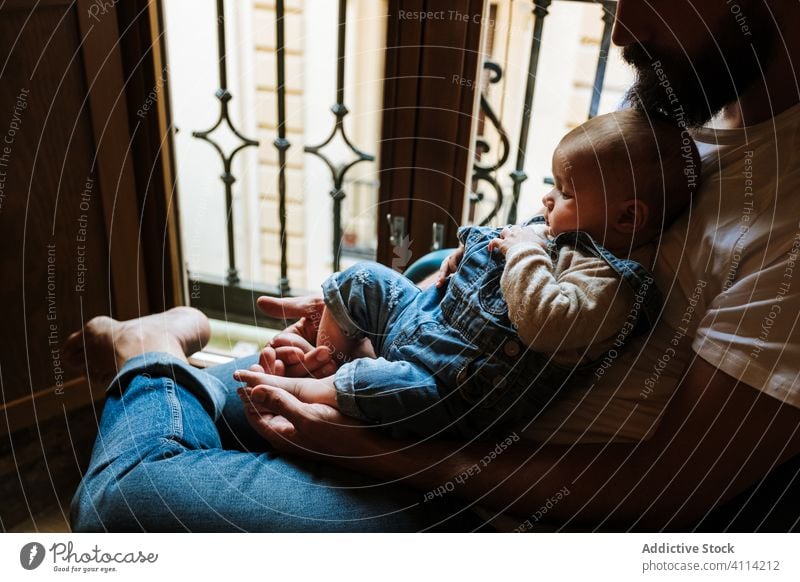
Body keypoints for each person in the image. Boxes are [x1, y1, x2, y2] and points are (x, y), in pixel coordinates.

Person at [70, 0, 800, 531]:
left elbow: (674, 489)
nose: (620, 29)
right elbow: (548, 238)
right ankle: (190, 369)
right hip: (435, 380)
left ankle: (150, 346)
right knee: (219, 394)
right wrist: (362, 342)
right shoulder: (686, 109)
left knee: (124, 502)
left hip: (491, 494)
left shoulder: (786, 218)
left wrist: (373, 450)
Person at [252, 110, 694, 440]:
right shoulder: (554, 231)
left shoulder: (609, 284)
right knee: (363, 279)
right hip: (424, 320)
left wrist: (523, 251)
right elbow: (494, 242)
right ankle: (329, 359)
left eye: (565, 192)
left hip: (451, 387)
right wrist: (462, 256)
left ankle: (310, 390)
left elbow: (549, 322)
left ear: (628, 218)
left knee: (381, 386)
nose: (547, 198)